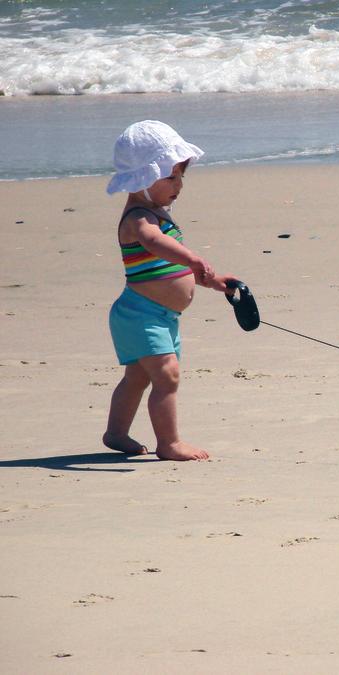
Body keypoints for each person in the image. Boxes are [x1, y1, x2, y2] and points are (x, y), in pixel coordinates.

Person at [103, 120, 236, 460]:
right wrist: (192, 256)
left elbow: (174, 266)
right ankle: (169, 443)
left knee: (137, 377)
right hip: (140, 314)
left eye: (181, 177)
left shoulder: (158, 216)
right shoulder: (138, 219)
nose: (178, 185)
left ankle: (116, 433)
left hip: (161, 316)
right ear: (143, 179)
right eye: (169, 176)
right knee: (167, 377)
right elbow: (154, 243)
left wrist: (214, 281)